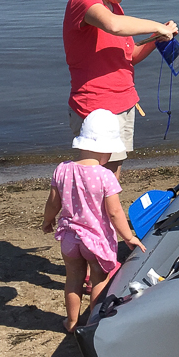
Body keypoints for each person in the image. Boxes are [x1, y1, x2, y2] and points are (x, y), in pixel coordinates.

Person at [63, 0, 178, 177]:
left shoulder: (115, 7)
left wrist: (157, 38)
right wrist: (157, 25)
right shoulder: (83, 0)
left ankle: (108, 215)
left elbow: (129, 57)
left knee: (111, 180)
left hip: (124, 104)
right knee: (93, 180)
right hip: (96, 108)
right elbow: (113, 26)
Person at [42, 108, 146, 332]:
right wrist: (128, 237)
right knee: (98, 279)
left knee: (73, 279)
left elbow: (53, 203)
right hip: (95, 241)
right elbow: (115, 213)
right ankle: (93, 322)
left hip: (69, 239)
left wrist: (47, 221)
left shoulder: (62, 170)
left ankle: (71, 322)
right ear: (106, 150)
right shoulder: (105, 176)